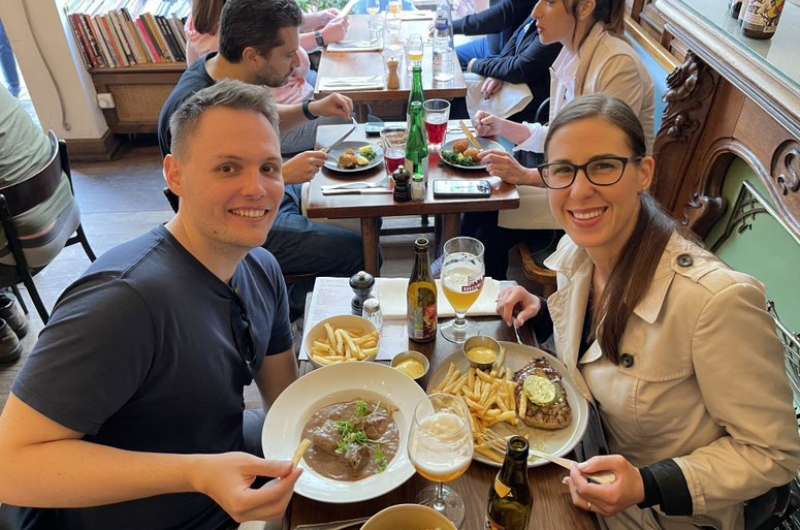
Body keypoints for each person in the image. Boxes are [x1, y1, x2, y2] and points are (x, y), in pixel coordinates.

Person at [0, 80, 303, 530]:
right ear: (174, 174)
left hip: (217, 469)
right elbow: (11, 467)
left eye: (269, 167)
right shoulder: (122, 302)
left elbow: (286, 405)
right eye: (227, 168)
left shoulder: (261, 267)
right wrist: (196, 473)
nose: (257, 189)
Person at [496, 94, 800, 530]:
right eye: (563, 170)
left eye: (603, 166)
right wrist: (546, 313)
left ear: (644, 172)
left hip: (660, 516)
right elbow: (597, 352)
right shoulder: (578, 252)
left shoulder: (715, 301)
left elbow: (775, 453)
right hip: (574, 466)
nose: (580, 190)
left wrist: (645, 484)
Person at [160, 0, 364, 319]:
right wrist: (281, 175)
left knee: (351, 201)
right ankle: (278, 311)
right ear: (253, 55)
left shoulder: (220, 67)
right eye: (286, 55)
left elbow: (264, 116)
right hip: (227, 220)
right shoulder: (196, 110)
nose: (295, 64)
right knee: (357, 250)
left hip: (257, 196)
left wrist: (313, 108)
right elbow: (207, 191)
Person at [464, 0, 655, 280]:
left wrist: (526, 175)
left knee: (490, 207)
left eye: (550, 2)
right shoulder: (572, 53)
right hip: (565, 176)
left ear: (587, 5)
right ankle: (468, 279)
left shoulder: (615, 65)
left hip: (596, 201)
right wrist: (504, 128)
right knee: (480, 194)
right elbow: (559, 133)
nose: (535, 12)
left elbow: (596, 168)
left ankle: (482, 298)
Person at [460, 14, 560, 124]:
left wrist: (475, 64)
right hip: (507, 71)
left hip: (527, 98)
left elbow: (520, 68)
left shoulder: (556, 26)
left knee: (457, 93)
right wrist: (498, 73)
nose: (536, 10)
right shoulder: (541, 11)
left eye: (550, 2)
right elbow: (516, 36)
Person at [453, 0, 537, 69]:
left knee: (448, 63)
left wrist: (448, 27)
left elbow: (496, 17)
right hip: (488, 45)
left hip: (507, 57)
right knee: (445, 58)